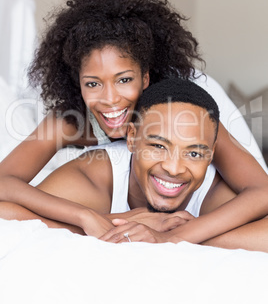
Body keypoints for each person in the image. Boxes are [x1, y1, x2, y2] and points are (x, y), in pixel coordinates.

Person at [0, 0, 266, 221]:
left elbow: (260, 189)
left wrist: (180, 233)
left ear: (145, 77)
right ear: (78, 83)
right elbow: (4, 182)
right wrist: (86, 215)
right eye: (93, 83)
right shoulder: (70, 122)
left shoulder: (183, 115)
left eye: (124, 80)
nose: (110, 99)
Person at [1, 78, 268, 252]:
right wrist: (107, 222)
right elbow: (7, 214)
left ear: (211, 154)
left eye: (195, 154)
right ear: (131, 138)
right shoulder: (94, 175)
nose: (174, 168)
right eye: (158, 146)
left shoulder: (217, 188)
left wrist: (173, 237)